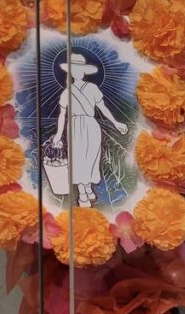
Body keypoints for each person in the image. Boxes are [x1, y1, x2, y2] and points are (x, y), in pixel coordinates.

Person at [52, 53, 128, 207]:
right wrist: (58, 135)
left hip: (91, 125)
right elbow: (62, 115)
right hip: (74, 126)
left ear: (84, 72)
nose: (77, 72)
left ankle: (87, 186)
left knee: (92, 158)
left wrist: (116, 122)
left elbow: (103, 108)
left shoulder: (92, 88)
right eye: (74, 69)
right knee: (78, 159)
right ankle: (82, 193)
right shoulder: (66, 92)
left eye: (80, 69)